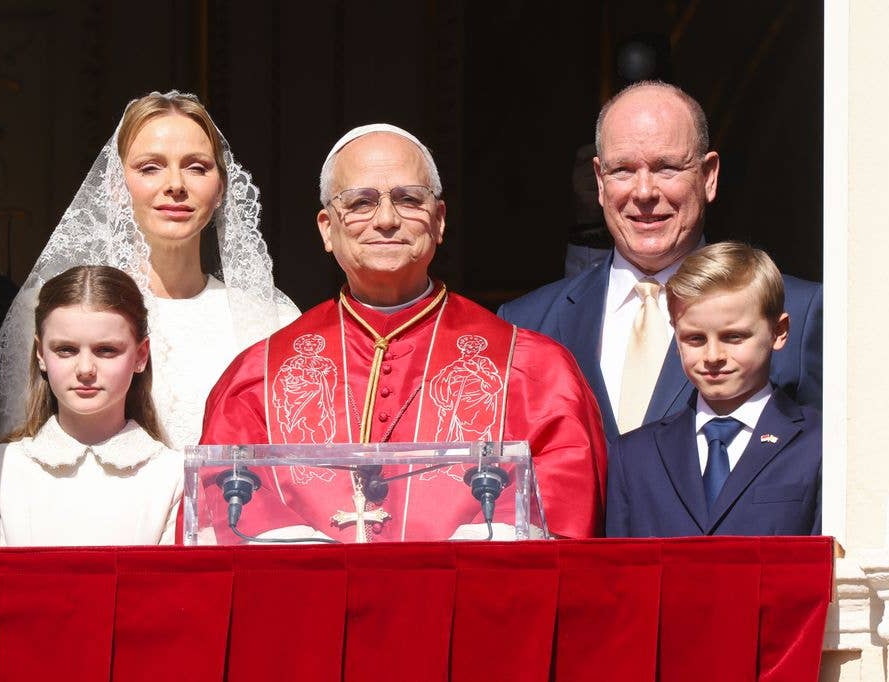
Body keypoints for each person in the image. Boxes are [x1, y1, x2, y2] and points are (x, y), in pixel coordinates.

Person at [196, 123, 608, 542]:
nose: (387, 220)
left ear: (440, 220)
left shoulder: (532, 372)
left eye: (409, 199)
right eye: (360, 202)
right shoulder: (259, 378)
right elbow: (221, 518)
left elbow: (562, 519)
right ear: (326, 228)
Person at [498, 81, 822, 443]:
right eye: (622, 170)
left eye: (666, 168)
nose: (644, 192)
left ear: (709, 176)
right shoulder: (526, 326)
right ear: (600, 183)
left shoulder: (800, 313)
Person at [0, 91, 299, 449]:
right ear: (116, 186)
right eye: (150, 167)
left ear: (221, 188)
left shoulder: (271, 319)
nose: (175, 185)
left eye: (197, 167)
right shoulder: (54, 312)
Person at [605, 243, 821, 537]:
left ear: (778, 331)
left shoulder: (820, 444)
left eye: (734, 337)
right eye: (695, 339)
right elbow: (620, 575)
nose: (713, 355)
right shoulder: (633, 456)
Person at [0, 266, 183, 546]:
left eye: (106, 350)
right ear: (40, 353)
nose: (85, 369)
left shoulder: (173, 475)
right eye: (66, 350)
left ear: (141, 355)